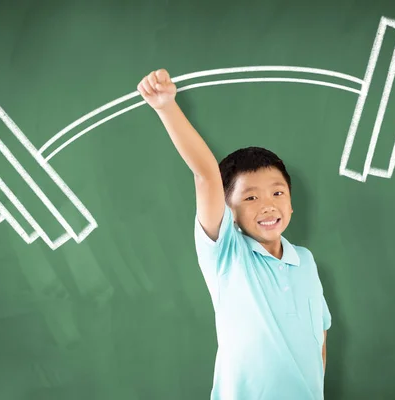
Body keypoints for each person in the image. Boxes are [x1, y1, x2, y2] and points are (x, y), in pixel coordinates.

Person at [137, 69, 332, 400]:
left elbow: (319, 338)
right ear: (228, 211)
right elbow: (206, 176)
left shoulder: (307, 262)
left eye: (277, 193)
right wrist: (166, 106)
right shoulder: (226, 254)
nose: (268, 206)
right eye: (251, 197)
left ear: (291, 202)